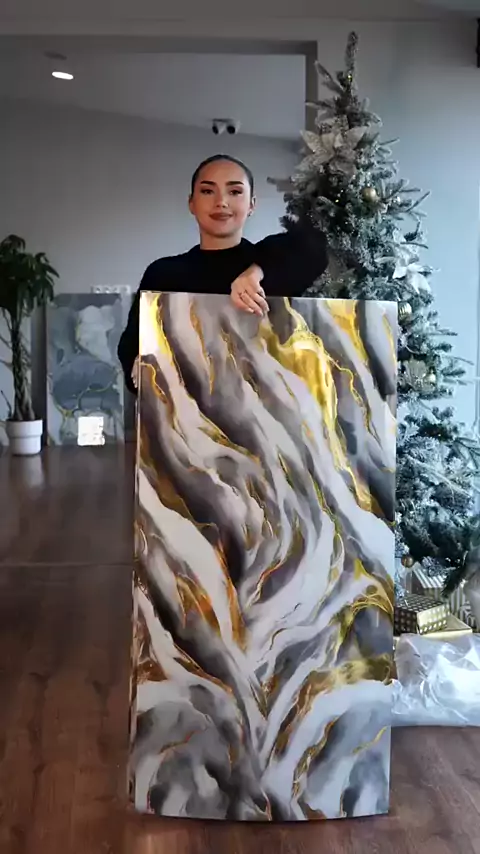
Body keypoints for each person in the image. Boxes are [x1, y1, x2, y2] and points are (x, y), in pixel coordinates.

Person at [118, 154, 328, 392]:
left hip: (266, 408)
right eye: (208, 191)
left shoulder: (273, 263)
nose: (221, 202)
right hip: (184, 406)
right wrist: (140, 364)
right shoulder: (163, 273)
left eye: (235, 192)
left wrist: (255, 272)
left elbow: (314, 249)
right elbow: (132, 344)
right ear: (191, 203)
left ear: (252, 204)